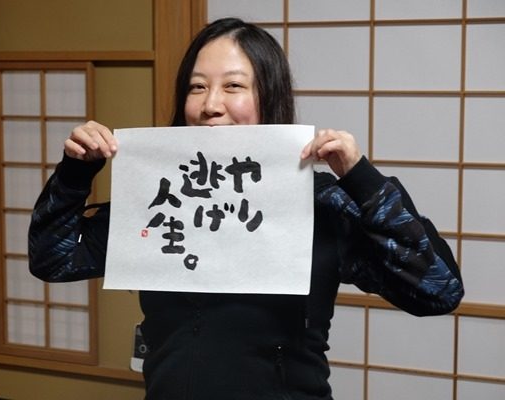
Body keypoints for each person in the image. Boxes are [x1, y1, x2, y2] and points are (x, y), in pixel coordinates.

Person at [28, 17, 464, 400]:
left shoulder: (321, 202)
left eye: (233, 86)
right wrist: (75, 172)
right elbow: (52, 259)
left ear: (269, 96)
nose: (210, 105)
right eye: (197, 87)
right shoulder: (159, 198)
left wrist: (362, 179)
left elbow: (438, 290)